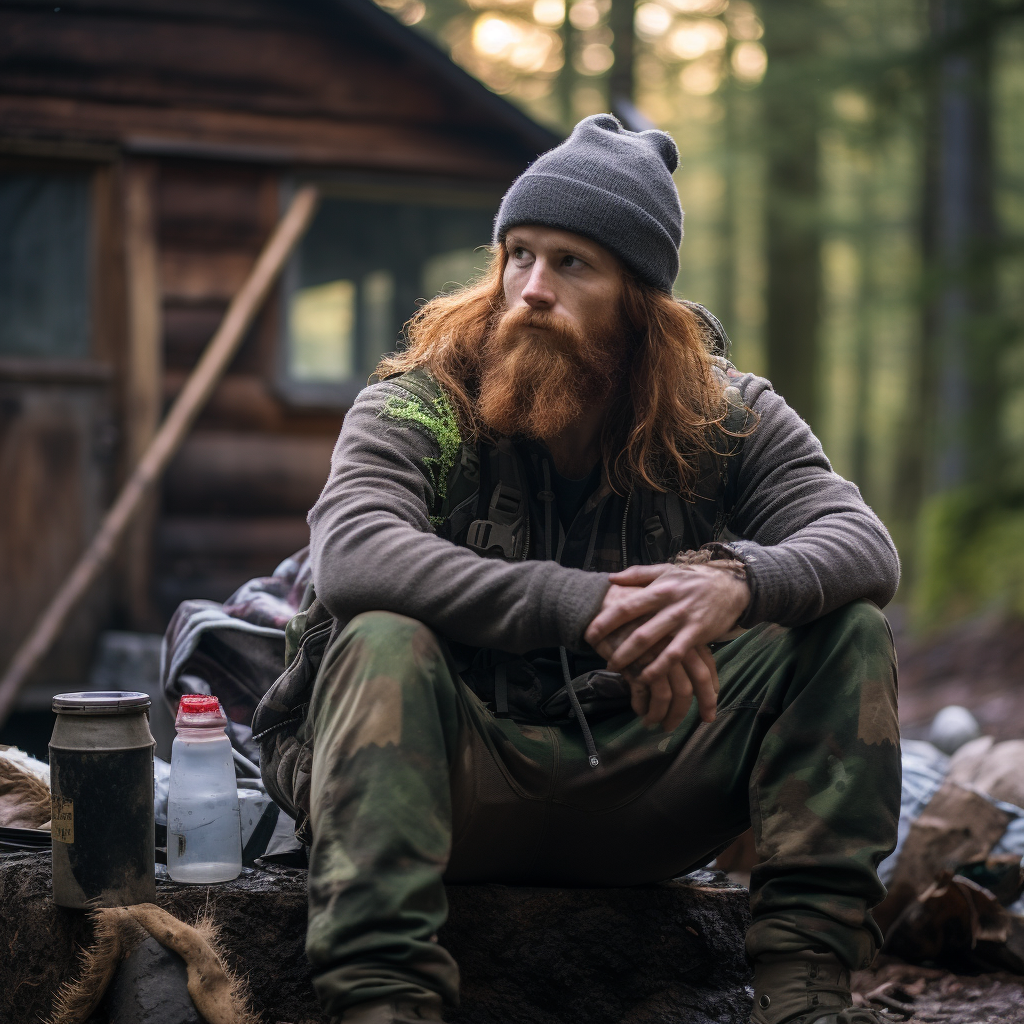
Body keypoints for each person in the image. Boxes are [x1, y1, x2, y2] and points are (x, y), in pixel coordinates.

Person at [255, 114, 901, 1024]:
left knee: (848, 631)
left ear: (639, 301)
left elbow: (863, 544)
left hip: (643, 778)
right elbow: (356, 555)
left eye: (572, 264)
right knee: (380, 638)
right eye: (518, 255)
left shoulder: (725, 416)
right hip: (452, 777)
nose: (531, 290)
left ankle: (804, 997)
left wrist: (733, 582)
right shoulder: (425, 402)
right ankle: (381, 1006)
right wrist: (591, 604)